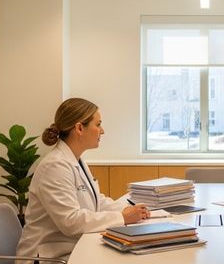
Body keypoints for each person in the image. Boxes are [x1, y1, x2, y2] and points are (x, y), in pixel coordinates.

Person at [17, 98, 150, 260]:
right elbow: (71, 222)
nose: (102, 131)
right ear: (79, 128)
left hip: (72, 248)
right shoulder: (54, 166)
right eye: (98, 124)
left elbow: (96, 202)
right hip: (49, 257)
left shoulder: (75, 160)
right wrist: (122, 217)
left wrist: (131, 210)